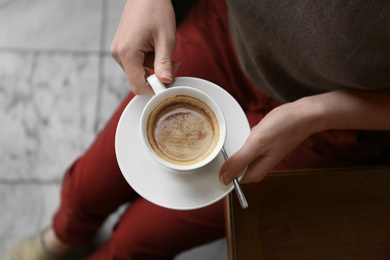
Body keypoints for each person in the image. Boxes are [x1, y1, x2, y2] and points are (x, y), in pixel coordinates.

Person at [3, 0, 390, 259]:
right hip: (228, 35)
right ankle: (63, 239)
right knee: (86, 186)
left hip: (335, 120)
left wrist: (313, 114)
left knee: (138, 244)